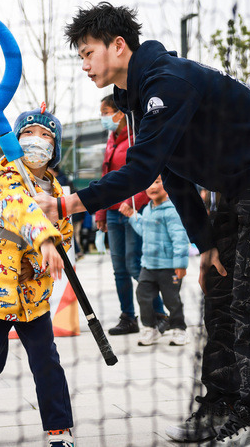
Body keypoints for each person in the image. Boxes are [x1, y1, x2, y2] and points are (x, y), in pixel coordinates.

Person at [34, 2, 250, 446]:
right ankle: (219, 407)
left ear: (118, 46)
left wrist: (69, 204)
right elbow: (176, 173)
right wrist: (204, 246)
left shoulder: (165, 83)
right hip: (237, 187)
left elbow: (143, 171)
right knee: (220, 291)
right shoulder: (137, 98)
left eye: (88, 53)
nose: (84, 65)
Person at [0, 107, 75, 447]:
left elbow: (64, 237)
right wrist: (44, 239)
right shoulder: (5, 179)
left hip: (33, 297)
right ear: (16, 141)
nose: (37, 140)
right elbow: (17, 208)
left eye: (46, 135)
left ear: (56, 148)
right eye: (29, 133)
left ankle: (59, 429)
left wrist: (37, 264)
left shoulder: (58, 194)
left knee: (46, 360)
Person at [97, 94, 168, 335]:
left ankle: (159, 313)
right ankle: (128, 317)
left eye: (105, 113)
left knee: (135, 264)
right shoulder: (111, 140)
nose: (103, 118)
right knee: (119, 269)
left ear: (119, 114)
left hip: (133, 211)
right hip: (114, 212)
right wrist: (101, 214)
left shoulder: (136, 137)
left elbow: (144, 175)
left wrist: (132, 204)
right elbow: (106, 177)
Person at [119, 176, 189, 347]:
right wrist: (133, 216)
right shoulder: (148, 209)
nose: (152, 186)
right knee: (143, 296)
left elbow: (180, 238)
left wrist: (180, 264)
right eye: (149, 182)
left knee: (172, 299)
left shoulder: (172, 211)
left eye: (158, 182)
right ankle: (150, 328)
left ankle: (180, 329)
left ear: (167, 185)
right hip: (148, 266)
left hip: (168, 267)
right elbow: (145, 230)